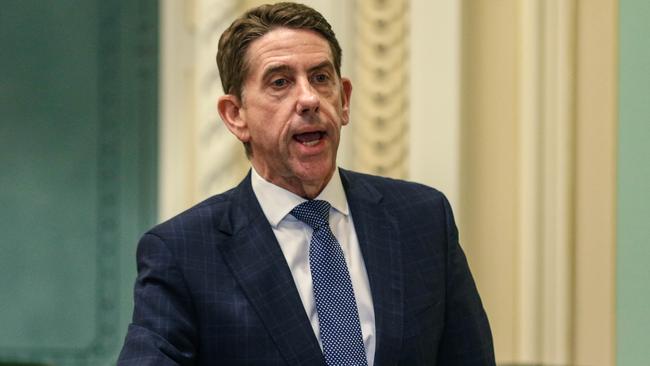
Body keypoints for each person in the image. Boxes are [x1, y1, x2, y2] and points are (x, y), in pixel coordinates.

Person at [118, 2, 495, 365]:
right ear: (236, 115)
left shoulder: (422, 219)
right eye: (280, 82)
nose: (309, 99)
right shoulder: (184, 252)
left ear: (344, 100)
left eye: (320, 78)